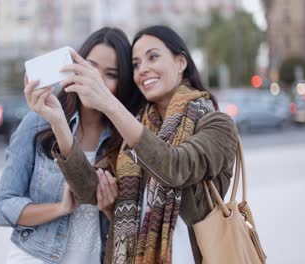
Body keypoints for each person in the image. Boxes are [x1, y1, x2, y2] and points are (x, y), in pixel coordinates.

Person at [57, 25, 239, 263]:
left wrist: (109, 105)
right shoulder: (134, 125)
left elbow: (174, 167)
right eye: (136, 64)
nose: (143, 69)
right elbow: (90, 191)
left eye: (153, 57)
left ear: (181, 62)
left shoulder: (217, 124)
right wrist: (57, 122)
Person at [0, 27, 144, 264]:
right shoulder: (39, 120)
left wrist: (109, 207)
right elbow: (3, 207)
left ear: (123, 82)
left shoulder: (126, 133)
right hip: (37, 258)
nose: (95, 80)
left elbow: (134, 219)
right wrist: (60, 208)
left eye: (110, 74)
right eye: (90, 67)